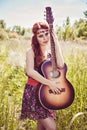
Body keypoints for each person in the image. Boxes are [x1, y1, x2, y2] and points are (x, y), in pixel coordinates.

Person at [20, 21, 66, 130]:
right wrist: (50, 83)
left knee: (42, 127)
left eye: (46, 34)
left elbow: (61, 64)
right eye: (40, 36)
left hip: (47, 93)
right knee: (51, 127)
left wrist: (56, 42)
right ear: (36, 38)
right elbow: (30, 71)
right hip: (34, 93)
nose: (44, 38)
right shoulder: (31, 51)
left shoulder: (50, 53)